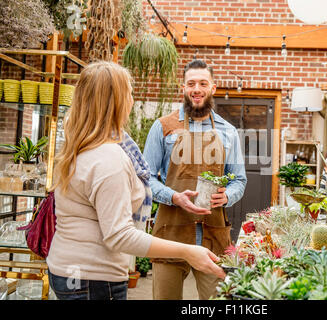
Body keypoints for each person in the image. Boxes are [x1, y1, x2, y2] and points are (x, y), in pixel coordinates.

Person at [46, 61, 225, 300]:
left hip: (68, 270)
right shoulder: (110, 159)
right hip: (93, 280)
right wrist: (188, 251)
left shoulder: (81, 147)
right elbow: (119, 235)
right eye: (129, 93)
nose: (132, 99)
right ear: (117, 101)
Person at [143, 59, 247, 300]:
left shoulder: (228, 131)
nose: (196, 89)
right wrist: (173, 197)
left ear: (213, 88)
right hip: (171, 232)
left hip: (213, 235)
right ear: (183, 88)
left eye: (203, 83)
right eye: (191, 83)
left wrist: (227, 196)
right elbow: (146, 178)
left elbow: (239, 180)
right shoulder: (163, 128)